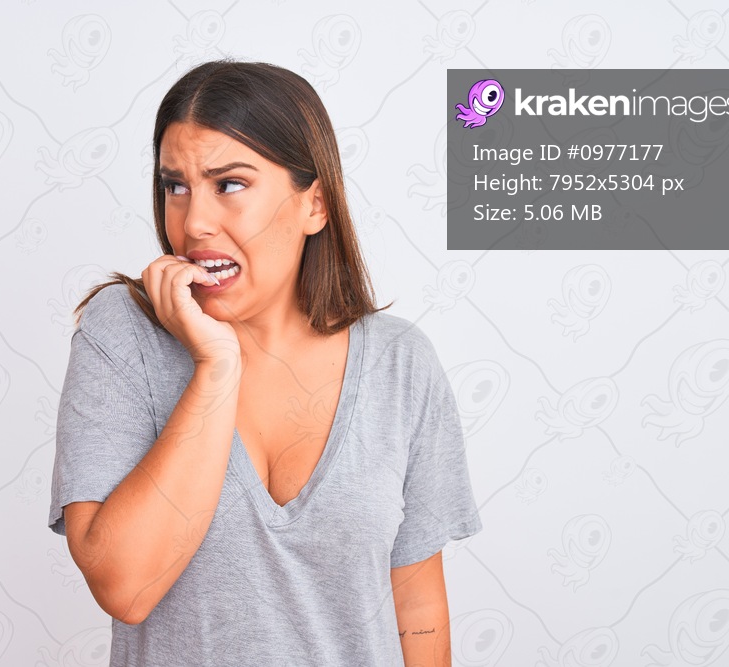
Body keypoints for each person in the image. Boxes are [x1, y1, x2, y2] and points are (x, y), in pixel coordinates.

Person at [48, 59, 482, 666]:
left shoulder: (400, 364)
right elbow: (126, 586)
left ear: (315, 206)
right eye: (176, 185)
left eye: (228, 184)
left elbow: (416, 606)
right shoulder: (123, 335)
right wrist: (215, 369)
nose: (193, 221)